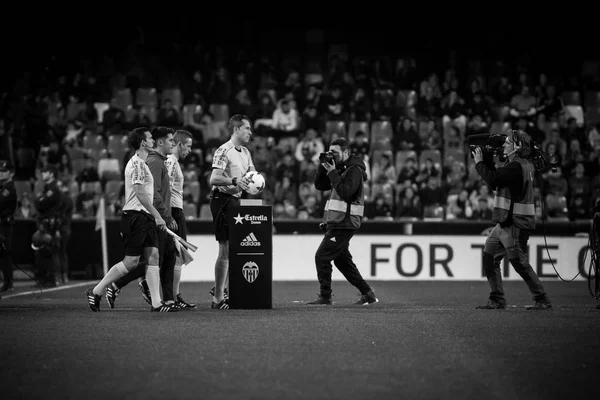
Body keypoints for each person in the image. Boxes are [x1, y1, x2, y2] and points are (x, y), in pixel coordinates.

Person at [85, 127, 177, 312]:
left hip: (146, 216)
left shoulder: (143, 163)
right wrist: (158, 215)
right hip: (135, 217)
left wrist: (154, 215)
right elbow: (140, 193)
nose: (152, 141)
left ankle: (157, 303)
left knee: (153, 257)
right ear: (143, 143)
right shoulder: (136, 163)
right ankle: (96, 290)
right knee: (131, 262)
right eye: (150, 138)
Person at [472, 129, 552, 310]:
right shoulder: (519, 164)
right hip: (506, 221)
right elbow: (497, 180)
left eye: (507, 142)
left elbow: (494, 179)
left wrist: (479, 163)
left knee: (519, 262)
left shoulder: (516, 166)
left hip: (515, 222)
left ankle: (542, 299)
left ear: (517, 146)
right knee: (489, 256)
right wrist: (489, 162)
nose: (504, 145)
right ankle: (497, 298)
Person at [307, 137, 379, 306]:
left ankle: (325, 297)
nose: (333, 155)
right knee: (342, 261)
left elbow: (346, 192)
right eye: (330, 152)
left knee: (322, 256)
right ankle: (368, 294)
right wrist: (323, 165)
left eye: (335, 153)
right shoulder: (338, 168)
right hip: (338, 221)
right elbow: (319, 185)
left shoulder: (354, 170)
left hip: (345, 222)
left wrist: (332, 172)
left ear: (346, 153)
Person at [208, 114, 254, 309]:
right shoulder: (223, 151)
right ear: (236, 129)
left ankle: (220, 288)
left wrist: (255, 182)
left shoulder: (245, 152)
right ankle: (218, 298)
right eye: (247, 129)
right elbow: (214, 178)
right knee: (225, 249)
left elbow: (252, 175)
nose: (250, 132)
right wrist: (235, 181)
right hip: (222, 200)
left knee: (234, 249)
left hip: (237, 201)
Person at [33, 165, 64, 287]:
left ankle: (52, 278)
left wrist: (40, 200)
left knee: (49, 250)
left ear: (51, 174)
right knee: (43, 250)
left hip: (50, 222)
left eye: (45, 172)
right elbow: (38, 202)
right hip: (45, 221)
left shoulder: (53, 189)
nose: (42, 174)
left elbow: (41, 203)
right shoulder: (47, 188)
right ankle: (45, 277)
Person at [0, 160, 17, 292]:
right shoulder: (3, 187)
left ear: (11, 173)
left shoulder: (9, 189)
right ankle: (7, 281)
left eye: (3, 171)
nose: (0, 174)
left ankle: (8, 281)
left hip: (5, 225)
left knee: (4, 252)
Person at [57, 179, 74, 284]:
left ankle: (60, 275)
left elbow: (61, 216)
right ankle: (63, 275)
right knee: (61, 252)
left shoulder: (64, 200)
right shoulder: (67, 199)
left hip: (62, 228)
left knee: (59, 252)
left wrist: (57, 229)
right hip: (65, 228)